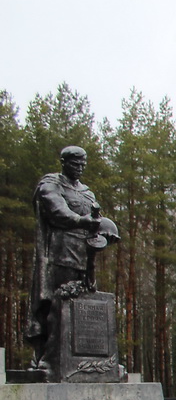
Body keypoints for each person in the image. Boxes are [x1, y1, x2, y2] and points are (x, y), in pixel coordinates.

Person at [27, 146, 117, 373]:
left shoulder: (87, 192)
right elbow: (58, 212)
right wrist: (82, 220)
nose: (79, 168)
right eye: (75, 163)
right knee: (58, 304)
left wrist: (107, 231)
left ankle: (95, 360)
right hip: (60, 253)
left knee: (85, 304)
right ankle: (50, 358)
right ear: (64, 163)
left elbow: (96, 219)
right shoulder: (50, 184)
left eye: (82, 164)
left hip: (86, 255)